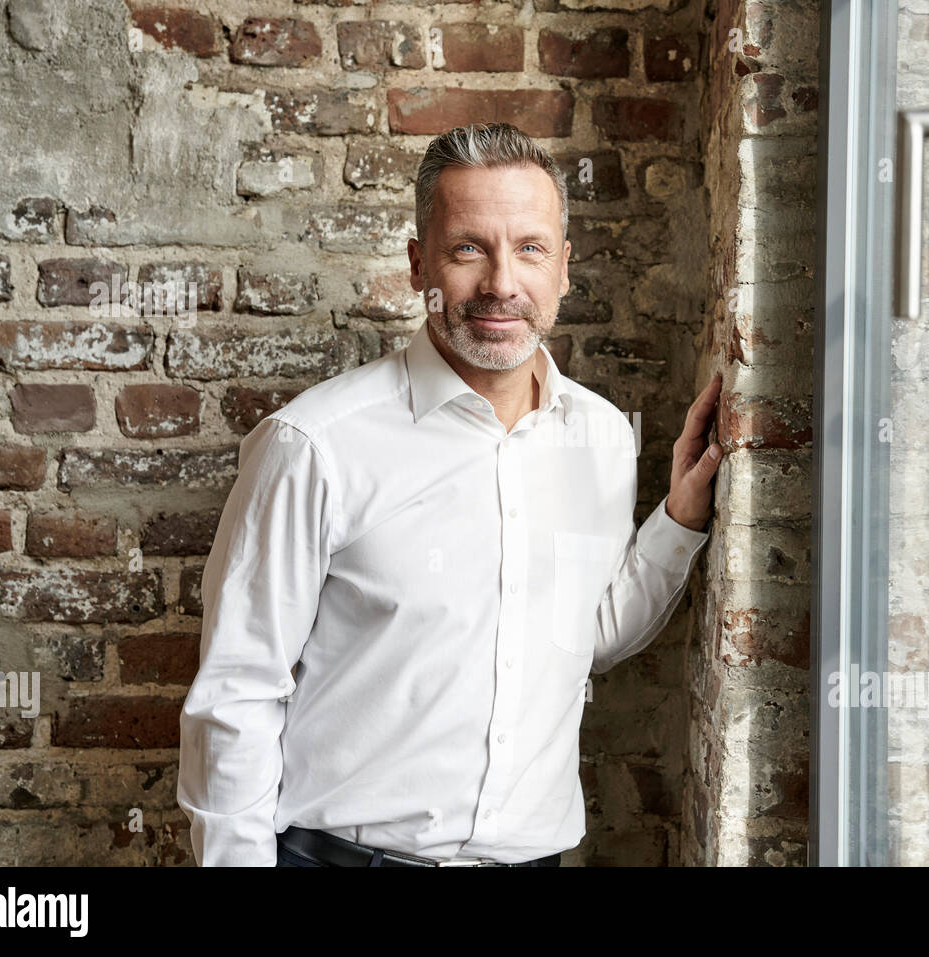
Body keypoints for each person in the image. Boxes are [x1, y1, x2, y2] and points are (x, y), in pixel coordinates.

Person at [176, 122, 723, 867]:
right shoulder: (315, 446)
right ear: (416, 264)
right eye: (469, 248)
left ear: (564, 269)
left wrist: (681, 518)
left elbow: (579, 637)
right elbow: (236, 695)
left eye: (529, 248)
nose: (502, 283)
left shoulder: (598, 436)